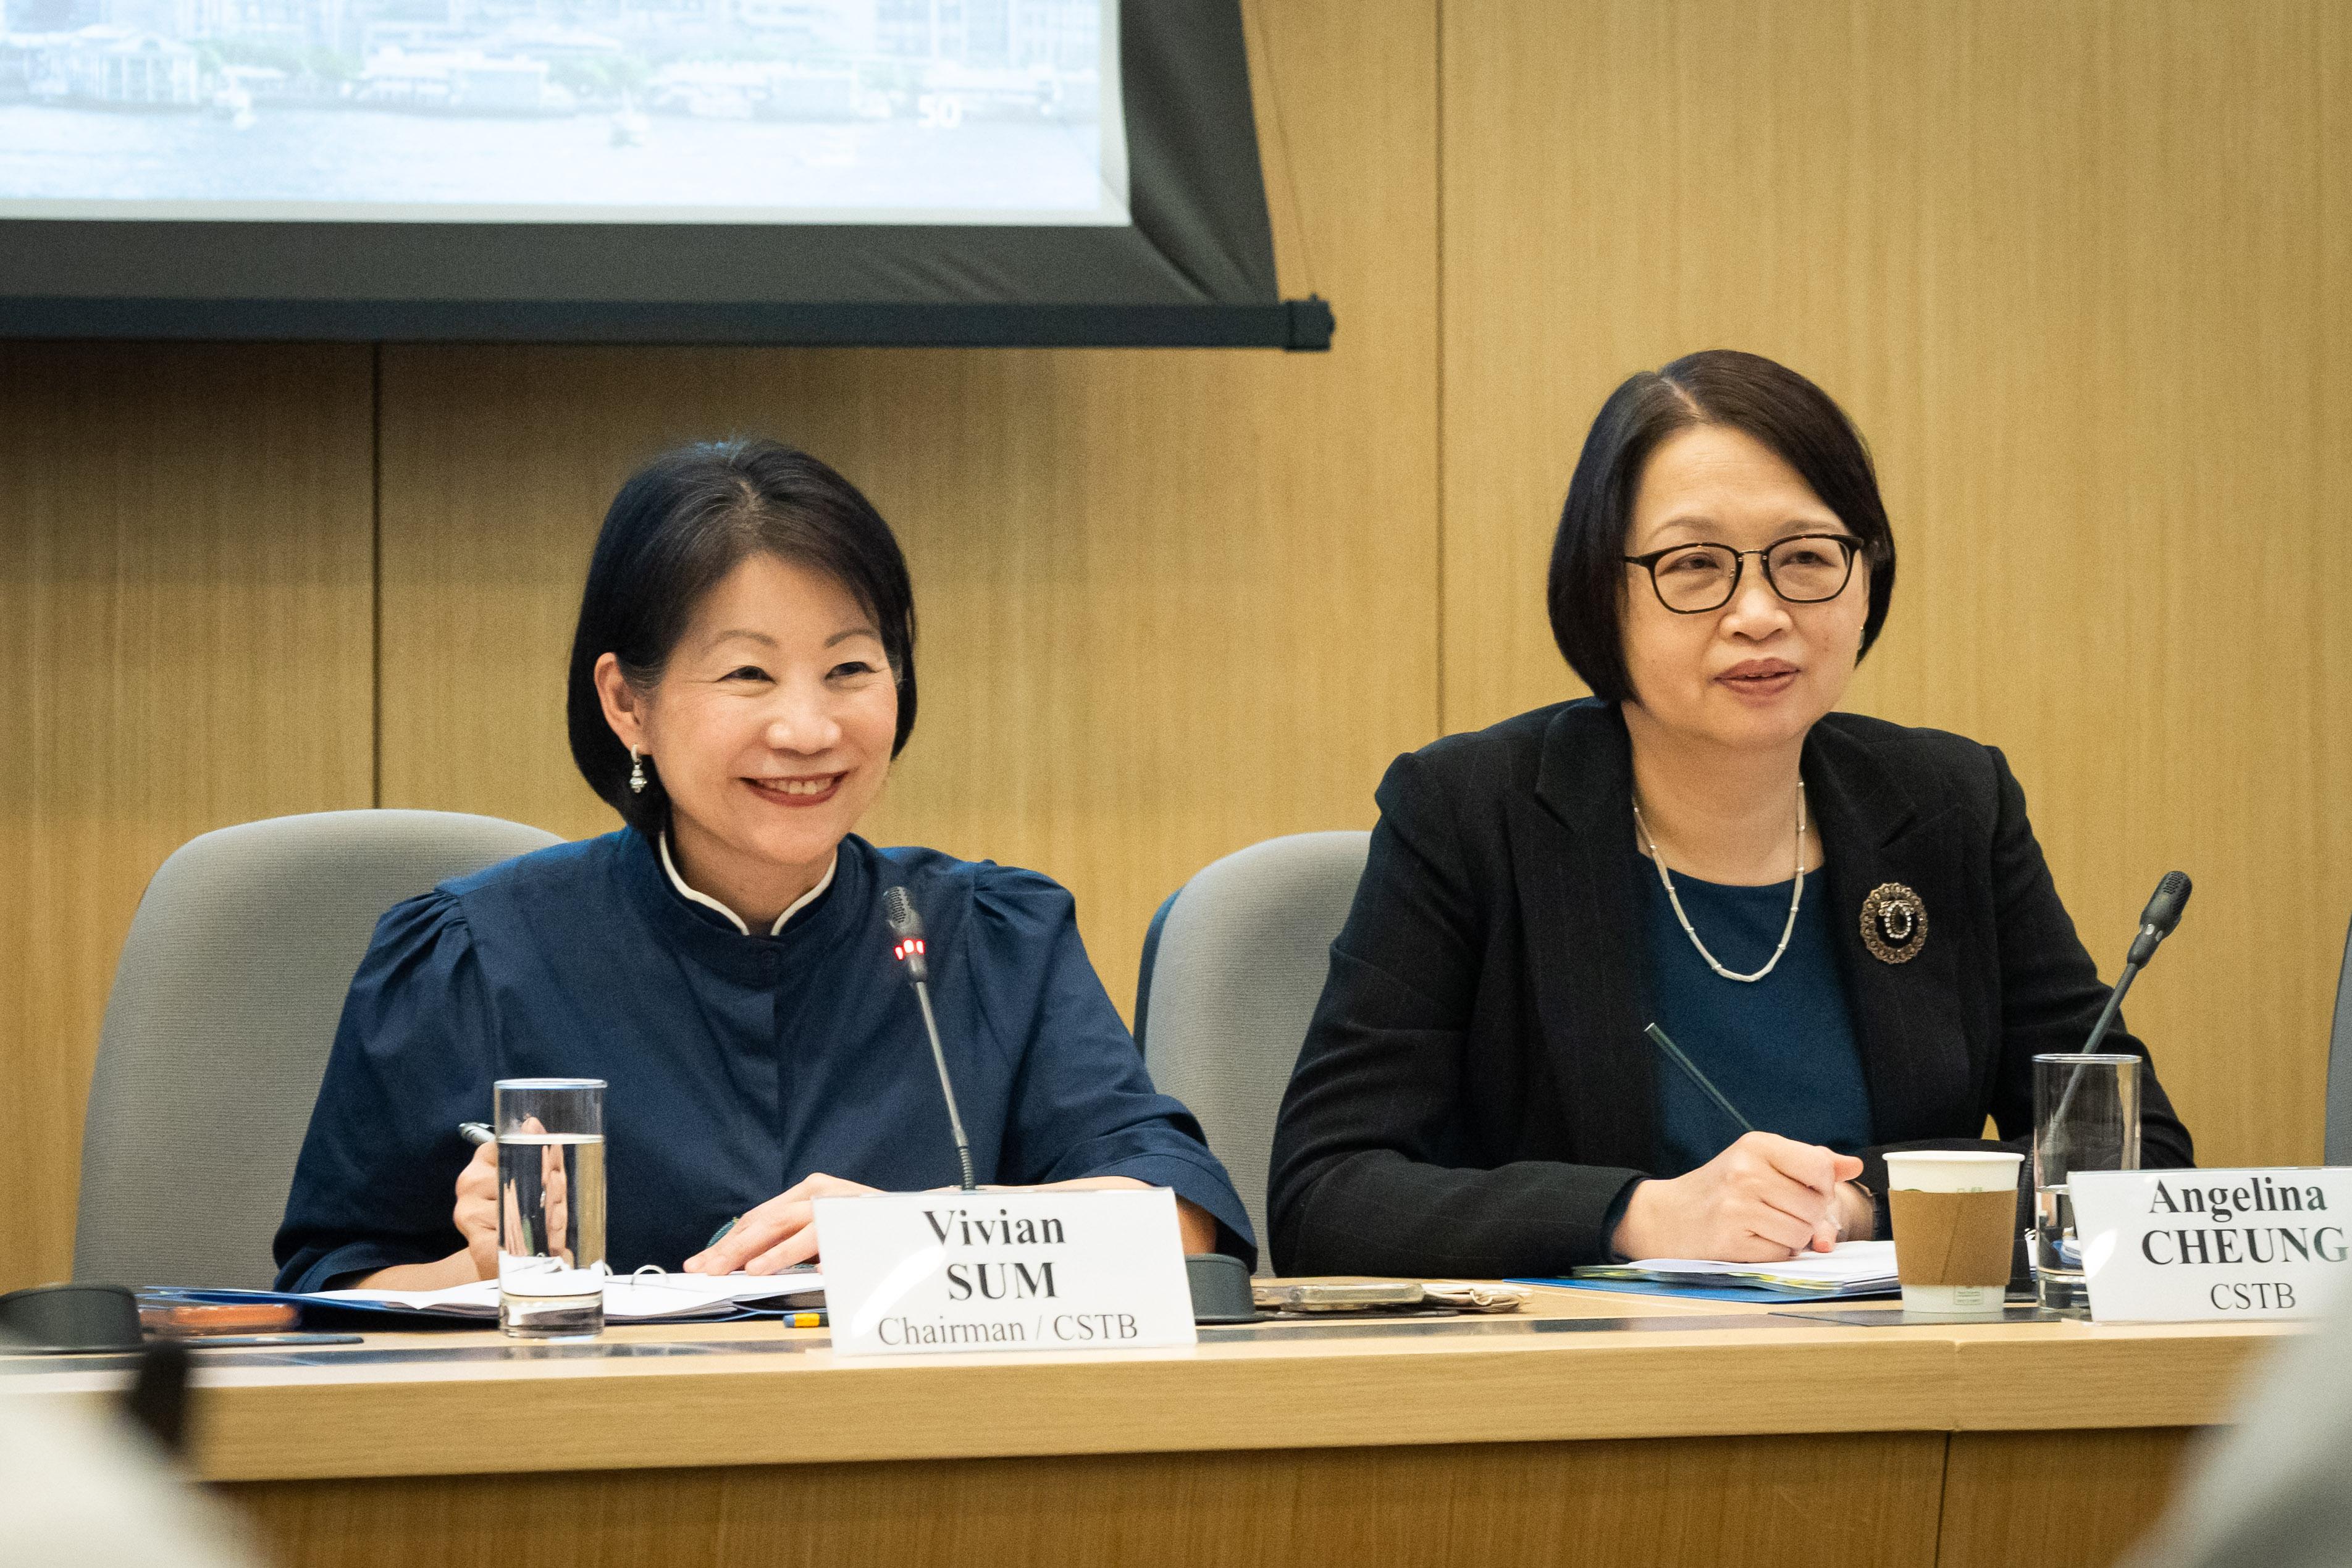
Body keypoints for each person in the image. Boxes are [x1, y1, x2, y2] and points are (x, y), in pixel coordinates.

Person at [1267, 349, 2193, 1278]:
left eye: (1806, 559)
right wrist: (1639, 1217)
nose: (1758, 613)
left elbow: (2135, 1157)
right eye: (1695, 565)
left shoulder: (1948, 805)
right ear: (1604, 591)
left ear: (1866, 578)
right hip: (1592, 1360)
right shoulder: (1472, 814)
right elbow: (1327, 1195)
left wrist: (1862, 1203)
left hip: (1903, 1357)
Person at [275, 439, 1252, 1292]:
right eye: (748, 674)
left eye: (850, 669)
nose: (809, 728)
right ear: (626, 703)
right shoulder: (477, 957)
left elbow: (1181, 1223)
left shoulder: (991, 940)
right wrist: (485, 1271)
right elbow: (331, 1290)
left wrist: (915, 1235)